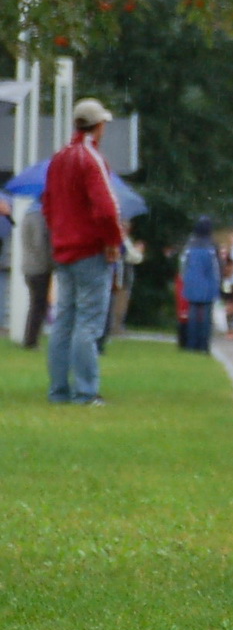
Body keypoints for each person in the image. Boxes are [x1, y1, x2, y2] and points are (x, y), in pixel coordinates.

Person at [41, 98, 124, 405]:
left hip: (63, 248)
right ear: (99, 126)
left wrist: (59, 233)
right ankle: (86, 392)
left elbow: (47, 205)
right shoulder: (91, 158)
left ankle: (58, 390)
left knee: (63, 321)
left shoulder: (59, 158)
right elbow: (106, 208)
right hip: (89, 249)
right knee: (88, 322)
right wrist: (112, 241)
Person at [179, 216, 223, 352]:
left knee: (192, 314)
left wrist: (184, 279)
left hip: (191, 282)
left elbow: (182, 264)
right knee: (206, 316)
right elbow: (217, 267)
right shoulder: (212, 246)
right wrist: (218, 282)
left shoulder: (190, 244)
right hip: (208, 283)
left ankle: (191, 344)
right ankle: (203, 345)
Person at [18, 198, 53, 349]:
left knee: (36, 303)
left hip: (28, 266)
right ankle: (31, 340)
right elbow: (40, 243)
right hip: (39, 267)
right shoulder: (39, 216)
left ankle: (31, 338)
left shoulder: (27, 215)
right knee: (38, 304)